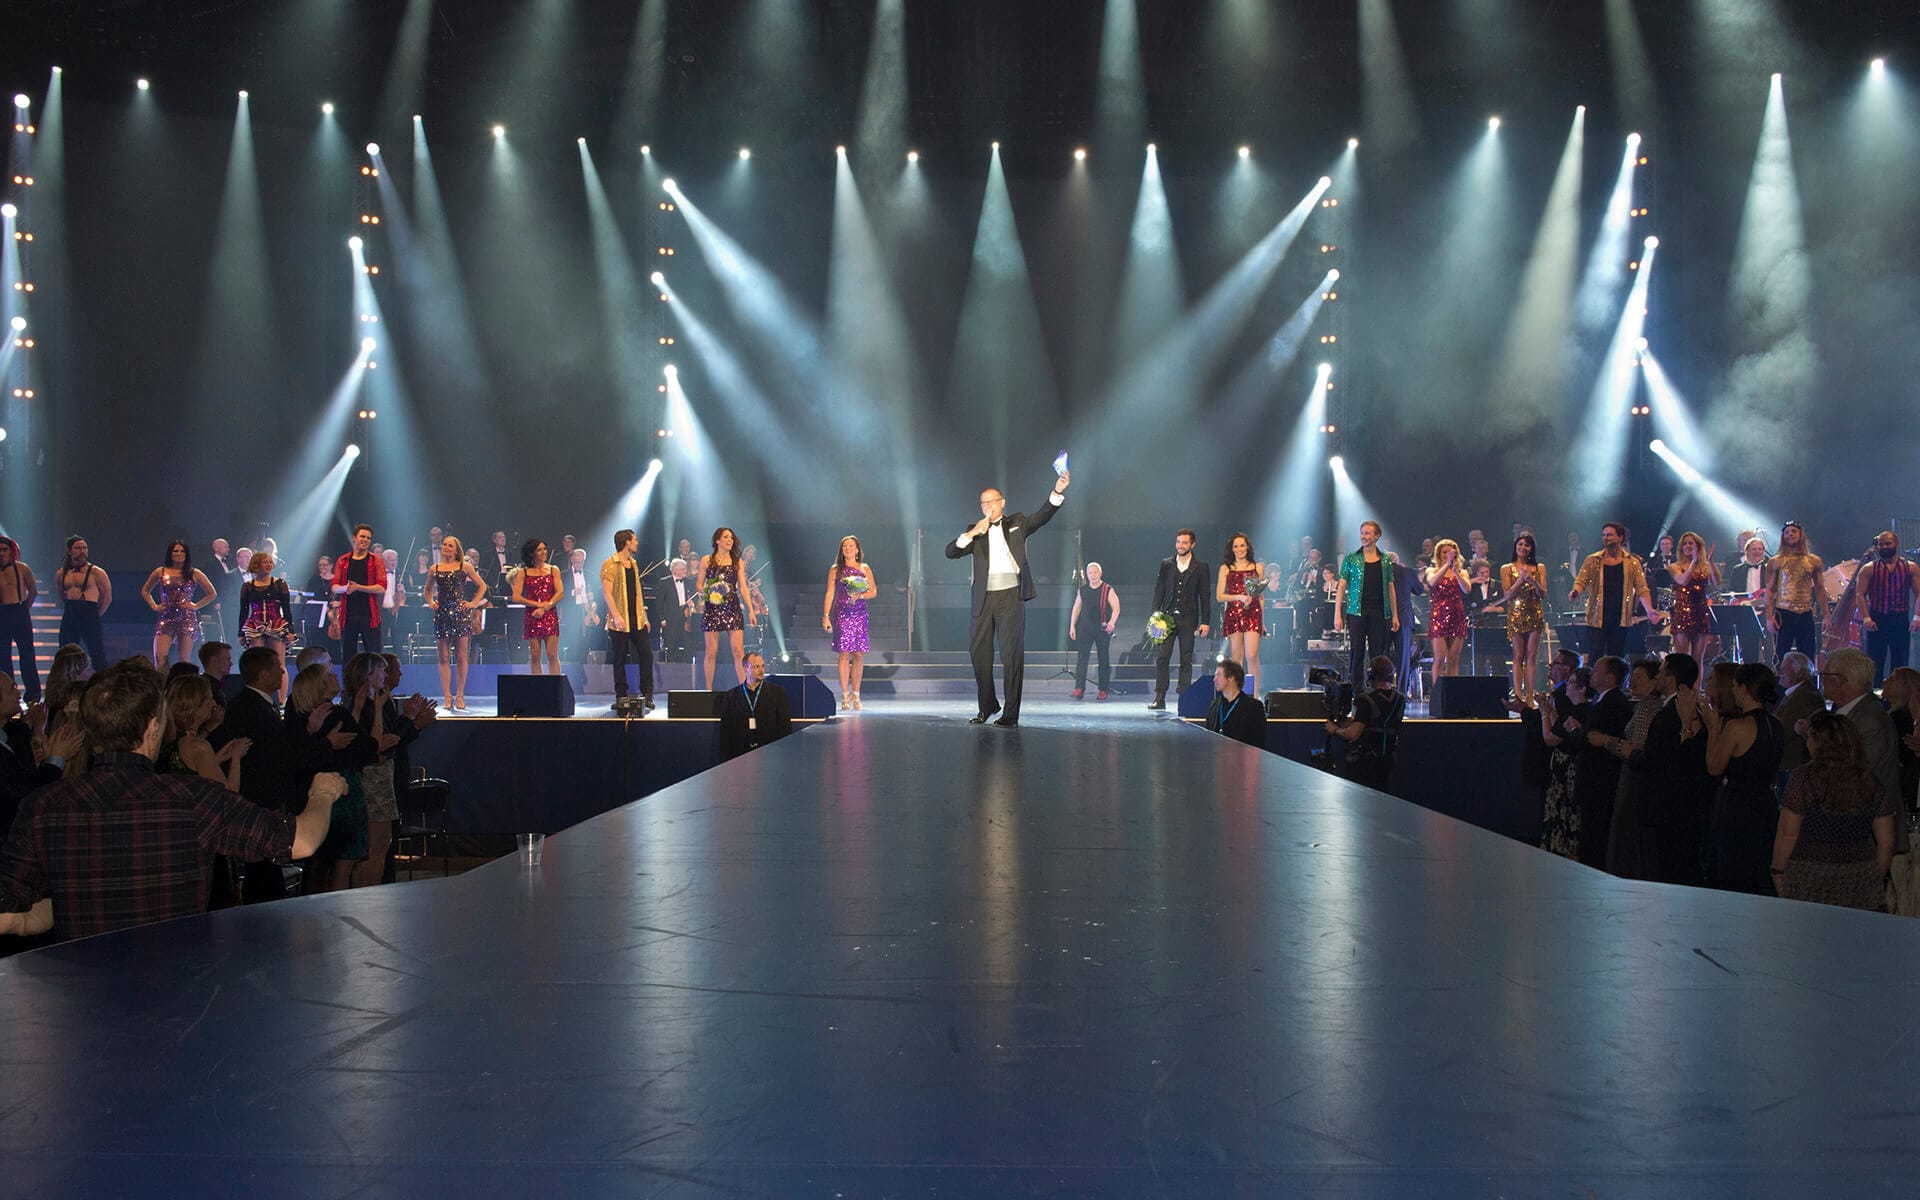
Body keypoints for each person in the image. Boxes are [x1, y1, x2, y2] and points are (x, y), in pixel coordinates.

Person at [0, 662, 346, 942]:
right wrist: (323, 792)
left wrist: (46, 914)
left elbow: (8, 912)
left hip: (82, 1000)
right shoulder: (190, 799)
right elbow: (302, 839)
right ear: (153, 729)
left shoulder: (43, 805)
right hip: (179, 994)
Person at [946, 467, 1071, 727]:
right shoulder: (975, 531)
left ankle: (1010, 714)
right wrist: (972, 533)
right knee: (978, 653)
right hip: (983, 598)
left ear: (1002, 503)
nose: (988, 506)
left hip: (1010, 597)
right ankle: (987, 706)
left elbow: (1043, 516)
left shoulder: (1017, 522)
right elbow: (950, 552)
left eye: (992, 501)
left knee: (1011, 655)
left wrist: (1057, 491)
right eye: (984, 503)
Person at [1772, 712, 1897, 910]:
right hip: (1859, 874)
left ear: (1816, 741)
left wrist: (1777, 871)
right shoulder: (1869, 781)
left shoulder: (1803, 779)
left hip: (1808, 875)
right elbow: (1887, 841)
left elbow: (1788, 833)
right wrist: (1874, 876)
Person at [1702, 662, 1785, 893]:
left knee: (1733, 873)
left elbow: (1714, 767)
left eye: (1736, 686)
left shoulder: (1738, 727)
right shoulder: (1776, 724)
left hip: (1736, 808)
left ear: (1744, 689)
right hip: (1766, 805)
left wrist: (1712, 729)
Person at [1822, 646, 1905, 859]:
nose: (1822, 679)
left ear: (1843, 680)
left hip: (1866, 834)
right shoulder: (1844, 713)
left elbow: (1859, 777)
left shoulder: (1869, 720)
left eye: (1826, 675)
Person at [1595, 658, 1664, 878]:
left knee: (1626, 834)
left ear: (1654, 682)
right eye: (1633, 675)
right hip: (1634, 776)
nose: (1632, 680)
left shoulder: (1646, 708)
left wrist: (1605, 740)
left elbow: (1635, 747)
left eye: (1639, 676)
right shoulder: (1645, 706)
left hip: (1634, 779)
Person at [1574, 655, 1634, 869]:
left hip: (1601, 782)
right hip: (1599, 781)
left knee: (1596, 837)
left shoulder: (1612, 703)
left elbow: (1594, 738)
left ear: (1610, 678)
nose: (1591, 674)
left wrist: (1581, 734)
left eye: (1597, 671)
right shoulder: (1606, 701)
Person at [1570, 523, 1661, 662]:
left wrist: (1649, 610)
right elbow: (1581, 580)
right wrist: (1576, 591)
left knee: (1615, 658)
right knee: (1595, 656)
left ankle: (1614, 684)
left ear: (1620, 538)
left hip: (1620, 617)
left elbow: (1642, 588)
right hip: (1597, 617)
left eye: (1610, 535)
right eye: (1604, 535)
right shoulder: (1593, 560)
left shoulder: (1632, 562)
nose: (1606, 538)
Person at [1149, 528, 1213, 711]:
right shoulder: (1166, 564)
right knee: (1162, 657)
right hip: (1166, 617)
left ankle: (1183, 698)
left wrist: (1205, 621)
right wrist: (1155, 613)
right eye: (1178, 542)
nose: (1180, 546)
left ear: (1192, 544)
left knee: (1186, 658)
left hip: (1188, 618)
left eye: (1184, 542)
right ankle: (1160, 696)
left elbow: (1205, 595)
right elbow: (1159, 590)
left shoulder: (1201, 567)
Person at [1334, 522, 1399, 697]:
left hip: (1379, 611)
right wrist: (1337, 615)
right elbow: (1341, 586)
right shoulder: (1351, 558)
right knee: (1357, 650)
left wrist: (1395, 615)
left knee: (1378, 652)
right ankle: (1357, 690)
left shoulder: (1385, 560)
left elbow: (1390, 587)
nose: (1363, 536)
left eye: (1368, 533)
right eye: (1362, 533)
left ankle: (1377, 689)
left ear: (1377, 536)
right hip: (1357, 611)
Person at [1325, 655, 1404, 794]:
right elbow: (1378, 720)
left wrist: (1334, 729)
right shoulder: (1400, 700)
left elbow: (1353, 734)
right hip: (1388, 760)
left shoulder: (1365, 700)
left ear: (1371, 675)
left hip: (1366, 762)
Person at [424, 536, 485, 710]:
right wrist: (430, 602)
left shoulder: (464, 566)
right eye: (444, 544)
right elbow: (427, 590)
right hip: (442, 613)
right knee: (443, 657)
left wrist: (473, 603)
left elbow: (482, 586)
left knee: (461, 656)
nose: (446, 547)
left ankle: (460, 694)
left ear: (456, 549)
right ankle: (447, 696)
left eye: (450, 545)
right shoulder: (434, 568)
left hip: (460, 613)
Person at [1854, 531, 1920, 684]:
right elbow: (1860, 595)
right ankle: (1875, 698)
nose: (1884, 547)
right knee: (1875, 662)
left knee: (1900, 662)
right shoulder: (1869, 568)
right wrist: (1866, 618)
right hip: (1877, 618)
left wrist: (1917, 617)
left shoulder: (1910, 567)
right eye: (1881, 544)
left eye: (1888, 543)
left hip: (1900, 619)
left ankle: (1899, 699)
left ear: (1896, 544)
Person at [601, 529, 655, 713]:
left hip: (636, 619)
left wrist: (644, 617)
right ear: (626, 542)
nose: (637, 543)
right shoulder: (609, 564)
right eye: (634, 540)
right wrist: (616, 616)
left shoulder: (633, 564)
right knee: (619, 658)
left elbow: (637, 593)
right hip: (619, 619)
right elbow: (607, 593)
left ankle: (647, 693)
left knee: (646, 655)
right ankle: (621, 696)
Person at [139, 540, 216, 668]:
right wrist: (154, 606)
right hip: (167, 617)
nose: (179, 553)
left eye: (182, 551)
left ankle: (182, 685)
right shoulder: (161, 571)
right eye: (176, 550)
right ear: (170, 553)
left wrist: (196, 606)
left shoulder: (194, 573)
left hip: (186, 618)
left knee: (184, 659)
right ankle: (162, 684)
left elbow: (212, 593)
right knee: (160, 656)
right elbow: (145, 591)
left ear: (186, 554)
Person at [698, 527, 756, 690]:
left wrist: (751, 610)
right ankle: (708, 690)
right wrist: (709, 590)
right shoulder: (706, 560)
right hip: (712, 608)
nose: (729, 540)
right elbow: (699, 584)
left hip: (732, 607)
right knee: (711, 652)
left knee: (738, 651)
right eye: (726, 537)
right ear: (717, 540)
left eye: (731, 537)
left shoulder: (738, 562)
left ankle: (745, 691)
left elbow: (743, 587)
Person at [1765, 522, 1829, 665]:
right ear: (1783, 537)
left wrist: (1826, 615)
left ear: (1801, 535)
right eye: (1787, 532)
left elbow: (1820, 588)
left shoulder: (1813, 560)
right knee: (1780, 655)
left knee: (1808, 656)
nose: (1790, 534)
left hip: (1805, 612)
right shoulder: (1776, 561)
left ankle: (1808, 685)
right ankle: (1779, 686)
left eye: (1794, 531)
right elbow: (1769, 590)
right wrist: (1769, 617)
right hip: (1783, 613)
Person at [822, 535, 875, 710]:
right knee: (844, 653)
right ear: (841, 550)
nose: (848, 548)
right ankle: (845, 695)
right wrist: (825, 615)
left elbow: (873, 591)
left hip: (859, 613)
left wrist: (860, 595)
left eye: (851, 545)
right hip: (842, 613)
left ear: (857, 549)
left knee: (858, 654)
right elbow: (830, 593)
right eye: (845, 546)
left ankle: (856, 694)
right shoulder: (835, 569)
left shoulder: (864, 567)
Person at [236, 550, 294, 705]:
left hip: (276, 624)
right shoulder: (247, 587)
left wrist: (291, 631)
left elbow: (287, 609)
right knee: (258, 663)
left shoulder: (279, 584)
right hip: (255, 625)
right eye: (264, 562)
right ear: (256, 564)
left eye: (270, 562)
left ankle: (281, 701)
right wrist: (240, 633)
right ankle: (260, 699)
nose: (268, 565)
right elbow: (243, 611)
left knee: (279, 662)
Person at [716, 652, 792, 760]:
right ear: (746, 669)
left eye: (763, 666)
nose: (761, 671)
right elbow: (725, 733)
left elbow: (785, 728)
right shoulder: (731, 696)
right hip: (740, 757)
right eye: (756, 667)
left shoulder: (778, 693)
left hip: (770, 756)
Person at [1500, 534, 1548, 705]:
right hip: (1516, 614)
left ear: (1531, 549)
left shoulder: (1539, 567)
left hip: (1534, 613)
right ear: (1515, 547)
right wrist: (1521, 580)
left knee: (1531, 655)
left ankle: (1529, 695)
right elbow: (1507, 595)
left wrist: (1532, 580)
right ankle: (1518, 696)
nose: (1523, 547)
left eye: (1527, 545)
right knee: (1518, 655)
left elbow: (1543, 593)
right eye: (1520, 544)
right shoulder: (1507, 568)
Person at [1217, 533, 1265, 700]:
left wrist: (1263, 621)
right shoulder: (1225, 569)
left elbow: (1260, 596)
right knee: (1236, 658)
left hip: (1253, 613)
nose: (1239, 549)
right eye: (1236, 546)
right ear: (1232, 549)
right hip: (1234, 614)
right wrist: (1238, 597)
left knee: (1251, 654)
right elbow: (1219, 596)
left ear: (1248, 547)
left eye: (1242, 546)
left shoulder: (1257, 567)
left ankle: (1255, 694)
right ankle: (1237, 694)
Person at [331, 524, 388, 658]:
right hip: (348, 615)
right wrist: (347, 588)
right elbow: (334, 586)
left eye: (368, 538)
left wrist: (358, 587)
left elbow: (381, 587)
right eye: (362, 536)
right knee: (348, 655)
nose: (366, 540)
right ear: (354, 538)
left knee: (373, 655)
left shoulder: (375, 560)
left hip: (369, 615)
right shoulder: (343, 560)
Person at [55, 536, 111, 671]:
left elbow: (107, 598)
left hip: (89, 611)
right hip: (70, 611)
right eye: (78, 548)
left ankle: (102, 685)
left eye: (84, 548)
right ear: (70, 551)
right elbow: (61, 594)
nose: (82, 551)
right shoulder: (61, 573)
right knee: (65, 652)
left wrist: (95, 615)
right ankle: (66, 684)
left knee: (96, 652)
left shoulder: (96, 572)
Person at [511, 538, 565, 676]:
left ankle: (555, 687)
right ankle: (539, 688)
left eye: (544, 549)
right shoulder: (524, 572)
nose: (543, 552)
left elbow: (560, 593)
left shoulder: (553, 569)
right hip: (532, 615)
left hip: (549, 614)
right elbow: (516, 597)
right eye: (539, 550)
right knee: (535, 656)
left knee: (552, 655)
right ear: (532, 553)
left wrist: (545, 607)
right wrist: (536, 605)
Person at [1069, 560, 1120, 700]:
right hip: (1086, 628)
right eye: (1090, 572)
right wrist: (1072, 625)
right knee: (1082, 658)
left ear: (1100, 573)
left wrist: (1112, 622)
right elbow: (1076, 607)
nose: (1093, 575)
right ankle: (1079, 688)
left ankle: (1103, 689)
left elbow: (1116, 608)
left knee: (1103, 658)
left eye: (1095, 572)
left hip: (1102, 629)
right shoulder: (1083, 590)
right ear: (1087, 574)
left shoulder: (1107, 589)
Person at [2, 538, 45, 702]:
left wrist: (24, 609)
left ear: (10, 551)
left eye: (4, 549)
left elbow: (32, 590)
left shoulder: (22, 568)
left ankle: (33, 693)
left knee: (27, 653)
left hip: (19, 610)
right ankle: (8, 693)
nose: (1, 553)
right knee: (3, 655)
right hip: (2, 612)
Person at [1666, 532, 1719, 665]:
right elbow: (1683, 581)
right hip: (1682, 613)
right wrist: (1694, 562)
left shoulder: (1705, 566)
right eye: (1685, 543)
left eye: (1691, 543)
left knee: (1698, 658)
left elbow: (1716, 582)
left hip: (1700, 612)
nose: (1688, 546)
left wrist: (1710, 561)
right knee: (1682, 658)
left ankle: (1696, 687)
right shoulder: (1675, 566)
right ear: (1681, 548)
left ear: (1698, 546)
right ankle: (1681, 685)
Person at [1425, 539, 1472, 680]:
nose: (1448, 555)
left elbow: (1467, 589)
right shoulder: (1431, 570)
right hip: (1439, 616)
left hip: (1457, 616)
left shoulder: (1462, 572)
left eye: (1450, 552)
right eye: (1444, 552)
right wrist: (1446, 566)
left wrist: (1455, 571)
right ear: (1439, 554)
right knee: (1439, 657)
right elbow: (1432, 582)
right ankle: (1437, 692)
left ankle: (1452, 692)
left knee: (1453, 658)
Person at [1205, 659, 1266, 749]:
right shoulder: (1214, 705)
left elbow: (1258, 742)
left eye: (1219, 675)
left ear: (1231, 678)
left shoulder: (1254, 707)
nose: (1214, 679)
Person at [198, 641, 233, 717]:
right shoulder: (205, 688)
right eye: (227, 659)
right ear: (214, 661)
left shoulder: (212, 685)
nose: (231, 663)